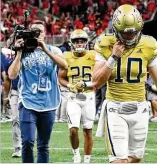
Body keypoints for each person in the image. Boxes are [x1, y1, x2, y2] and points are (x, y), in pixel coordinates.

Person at [93, 4, 157, 163]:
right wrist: (113, 58)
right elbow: (95, 82)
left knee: (135, 159)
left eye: (133, 32)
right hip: (115, 109)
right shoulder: (106, 44)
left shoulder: (148, 45)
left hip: (140, 109)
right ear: (116, 29)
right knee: (119, 160)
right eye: (125, 33)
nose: (130, 36)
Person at [8, 20, 68, 163]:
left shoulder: (54, 50)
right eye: (34, 31)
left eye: (40, 31)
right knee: (27, 142)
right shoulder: (24, 51)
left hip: (49, 102)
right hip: (28, 102)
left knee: (43, 145)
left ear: (45, 34)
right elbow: (11, 75)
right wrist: (19, 52)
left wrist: (44, 49)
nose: (37, 34)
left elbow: (65, 65)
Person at [58, 29, 106, 163]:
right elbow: (61, 78)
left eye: (82, 41)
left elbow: (101, 76)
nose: (79, 43)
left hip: (89, 96)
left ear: (87, 43)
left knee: (88, 130)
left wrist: (87, 84)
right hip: (73, 97)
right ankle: (76, 154)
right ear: (71, 43)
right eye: (77, 41)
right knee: (73, 130)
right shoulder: (66, 56)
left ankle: (87, 160)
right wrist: (70, 86)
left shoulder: (94, 55)